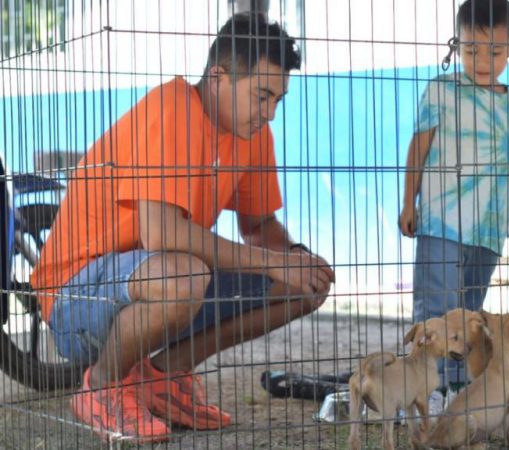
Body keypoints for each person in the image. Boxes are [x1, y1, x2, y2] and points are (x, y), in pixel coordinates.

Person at [30, 13, 335, 443]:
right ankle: (101, 386)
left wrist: (297, 258)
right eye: (262, 96)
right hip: (74, 300)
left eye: (278, 100)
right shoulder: (172, 107)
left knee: (302, 285)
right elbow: (163, 235)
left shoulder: (252, 134)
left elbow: (260, 225)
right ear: (218, 77)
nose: (269, 114)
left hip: (150, 281)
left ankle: (161, 378)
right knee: (184, 274)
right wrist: (274, 261)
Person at [398, 0, 509, 411]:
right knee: (437, 311)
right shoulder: (441, 91)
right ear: (456, 45)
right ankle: (427, 392)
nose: (482, 60)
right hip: (440, 223)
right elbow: (418, 147)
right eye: (471, 50)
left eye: (494, 52)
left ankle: (459, 394)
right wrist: (409, 202)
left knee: (470, 319)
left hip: (489, 232)